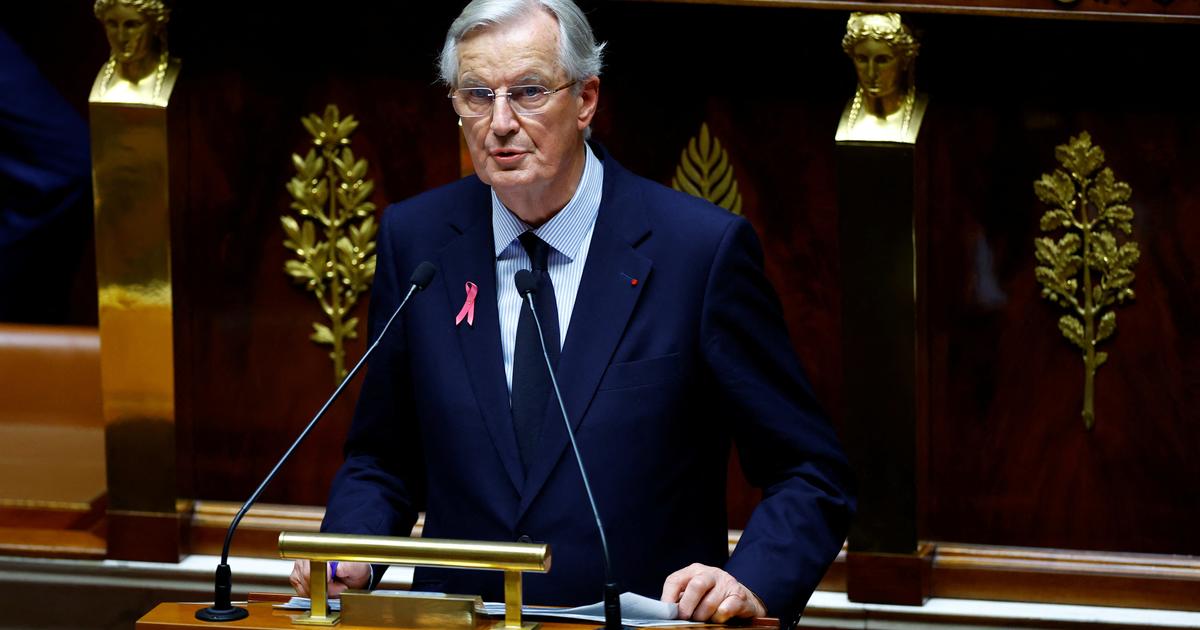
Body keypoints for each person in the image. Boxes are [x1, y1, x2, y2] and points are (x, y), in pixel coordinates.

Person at [291, 0, 854, 623]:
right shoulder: (418, 241)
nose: (499, 122)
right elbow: (383, 458)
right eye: (476, 95)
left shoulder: (698, 252)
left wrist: (748, 582)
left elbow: (810, 472)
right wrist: (347, 550)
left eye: (528, 92)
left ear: (586, 100)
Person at [835, 12, 926, 143]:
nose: (871, 73)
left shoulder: (927, 117)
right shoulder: (840, 115)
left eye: (882, 60)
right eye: (862, 59)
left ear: (905, 61)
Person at [91, 0, 180, 107]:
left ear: (156, 26)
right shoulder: (102, 83)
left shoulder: (174, 74)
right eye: (113, 24)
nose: (121, 37)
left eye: (132, 25)